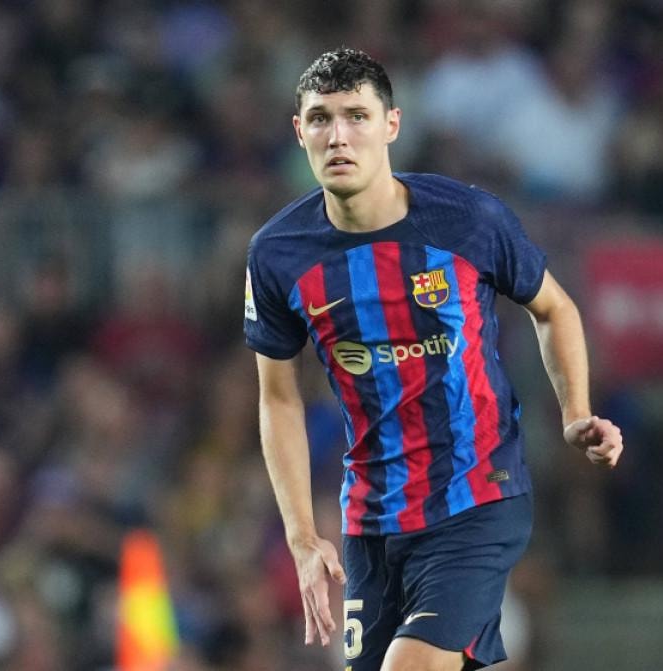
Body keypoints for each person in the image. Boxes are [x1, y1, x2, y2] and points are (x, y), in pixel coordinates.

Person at [243, 47, 624, 671]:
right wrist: (303, 536)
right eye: (320, 119)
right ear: (299, 131)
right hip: (371, 520)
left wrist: (574, 411)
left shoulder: (468, 219)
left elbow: (555, 308)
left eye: (357, 116)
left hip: (476, 498)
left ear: (392, 125)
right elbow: (278, 397)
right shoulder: (277, 254)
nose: (338, 136)